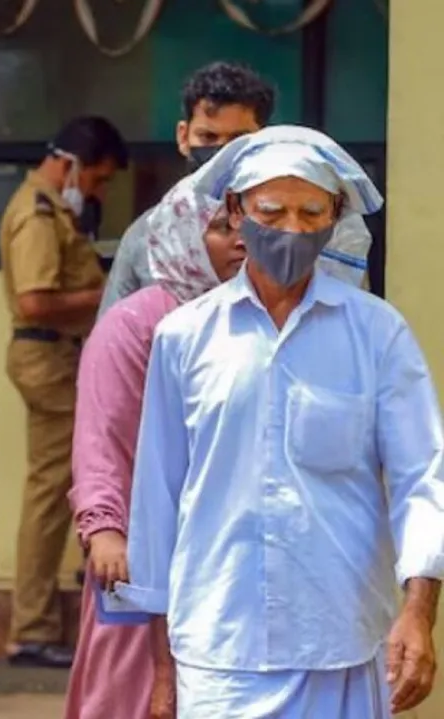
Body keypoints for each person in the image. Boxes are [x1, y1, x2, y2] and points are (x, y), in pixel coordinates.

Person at [117, 125, 444, 718]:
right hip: (218, 647)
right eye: (273, 211)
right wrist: (162, 668)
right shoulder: (185, 338)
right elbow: (158, 503)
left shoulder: (377, 334)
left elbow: (424, 478)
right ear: (236, 212)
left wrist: (419, 612)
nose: (292, 229)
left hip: (342, 640)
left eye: (310, 212)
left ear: (334, 215)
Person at [64, 178, 241, 718]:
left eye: (243, 226)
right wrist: (105, 529)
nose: (240, 241)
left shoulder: (246, 318)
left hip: (222, 549)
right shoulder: (137, 322)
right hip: (142, 551)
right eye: (219, 228)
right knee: (131, 694)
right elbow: (101, 433)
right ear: (182, 235)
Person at [0, 115, 127, 667]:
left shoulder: (57, 210)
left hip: (60, 355)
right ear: (70, 163)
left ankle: (63, 619)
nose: (95, 192)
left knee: (71, 485)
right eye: (96, 180)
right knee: (53, 491)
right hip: (48, 358)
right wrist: (107, 293)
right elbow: (35, 299)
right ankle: (31, 629)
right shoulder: (38, 211)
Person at [98, 62, 272, 317]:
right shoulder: (149, 233)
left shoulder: (286, 227)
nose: (220, 153)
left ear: (264, 141)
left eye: (238, 140)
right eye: (208, 138)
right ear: (183, 136)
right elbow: (113, 337)